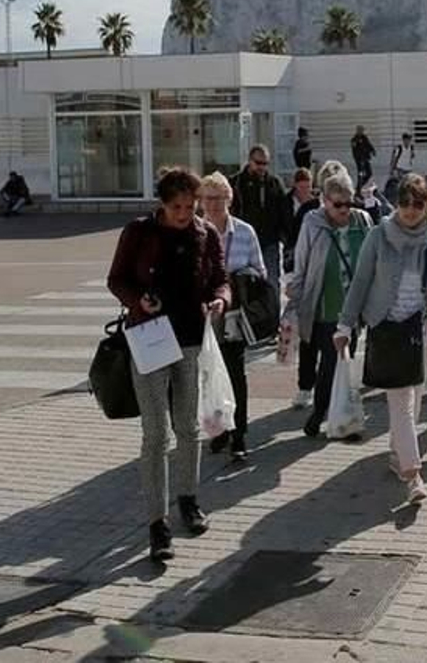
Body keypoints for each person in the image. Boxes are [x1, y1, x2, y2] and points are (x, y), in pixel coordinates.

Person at [106, 167, 230, 563]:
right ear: (162, 203)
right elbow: (117, 279)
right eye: (177, 207)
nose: (185, 214)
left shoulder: (204, 233)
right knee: (156, 433)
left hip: (191, 338)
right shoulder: (139, 232)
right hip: (150, 339)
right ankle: (157, 523)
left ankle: (188, 501)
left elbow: (221, 279)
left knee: (188, 427)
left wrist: (220, 300)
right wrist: (138, 301)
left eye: (191, 207)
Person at [334, 174, 427, 504]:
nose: (409, 210)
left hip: (422, 329)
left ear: (426, 205)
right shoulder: (379, 236)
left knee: (414, 399)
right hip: (388, 329)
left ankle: (396, 455)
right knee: (401, 403)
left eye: (417, 204)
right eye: (404, 203)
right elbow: (360, 283)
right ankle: (412, 474)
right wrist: (344, 326)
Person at [286, 171, 372, 438]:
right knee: (332, 364)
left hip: (354, 310)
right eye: (338, 204)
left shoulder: (363, 221)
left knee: (344, 364)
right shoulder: (313, 223)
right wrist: (294, 300)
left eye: (349, 202)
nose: (345, 209)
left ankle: (338, 417)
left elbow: (374, 260)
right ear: (324, 201)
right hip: (325, 307)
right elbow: (301, 264)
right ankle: (324, 413)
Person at [199, 171, 266, 462]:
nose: (213, 204)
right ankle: (219, 430)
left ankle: (238, 435)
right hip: (202, 316)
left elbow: (261, 272)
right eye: (208, 198)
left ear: (229, 198)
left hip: (235, 316)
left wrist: (242, 280)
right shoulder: (194, 231)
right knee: (209, 376)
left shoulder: (245, 232)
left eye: (219, 198)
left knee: (236, 375)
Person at [230, 143, 286, 308]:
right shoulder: (236, 183)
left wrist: (284, 236)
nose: (262, 167)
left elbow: (284, 212)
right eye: (258, 163)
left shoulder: (274, 183)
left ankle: (273, 320)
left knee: (271, 282)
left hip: (268, 241)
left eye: (265, 163)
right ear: (249, 161)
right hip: (242, 241)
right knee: (242, 282)